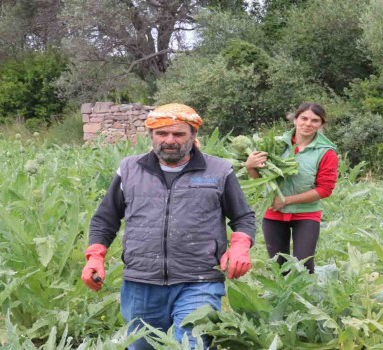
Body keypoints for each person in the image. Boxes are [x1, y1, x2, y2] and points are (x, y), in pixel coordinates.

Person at [81, 103, 256, 349]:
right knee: (142, 345)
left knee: (190, 344)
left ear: (193, 135)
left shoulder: (219, 170)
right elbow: (105, 218)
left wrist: (240, 245)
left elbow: (243, 216)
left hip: (200, 278)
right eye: (162, 133)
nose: (170, 140)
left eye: (179, 134)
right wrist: (95, 255)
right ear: (151, 135)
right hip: (142, 280)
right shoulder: (130, 169)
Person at [245, 102, 338, 274]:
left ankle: (305, 299)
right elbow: (261, 179)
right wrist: (250, 167)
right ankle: (283, 299)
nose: (308, 124)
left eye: (315, 120)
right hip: (273, 212)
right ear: (295, 120)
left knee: (304, 266)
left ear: (321, 125)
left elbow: (325, 189)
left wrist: (286, 200)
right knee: (279, 265)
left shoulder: (326, 152)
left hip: (306, 213)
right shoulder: (275, 144)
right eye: (304, 118)